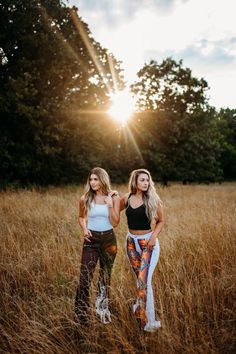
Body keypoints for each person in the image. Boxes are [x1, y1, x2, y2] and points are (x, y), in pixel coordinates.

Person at [120, 169, 164, 332]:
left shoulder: (153, 198)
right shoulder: (127, 198)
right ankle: (140, 306)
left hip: (148, 244)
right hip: (131, 243)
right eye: (142, 180)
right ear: (135, 182)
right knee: (139, 280)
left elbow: (161, 221)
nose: (145, 183)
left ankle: (150, 321)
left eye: (147, 180)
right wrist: (110, 197)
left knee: (144, 281)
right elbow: (113, 215)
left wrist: (153, 237)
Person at [75, 167, 120, 325]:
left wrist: (109, 205)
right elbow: (81, 217)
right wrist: (85, 228)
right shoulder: (85, 198)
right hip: (91, 241)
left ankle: (102, 313)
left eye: (96, 179)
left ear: (103, 179)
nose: (93, 182)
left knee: (105, 278)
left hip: (109, 241)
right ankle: (81, 316)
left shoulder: (113, 197)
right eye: (91, 179)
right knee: (84, 278)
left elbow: (115, 222)